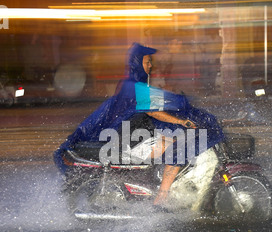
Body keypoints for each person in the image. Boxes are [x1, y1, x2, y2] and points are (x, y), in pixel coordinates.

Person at [54, 43, 224, 207]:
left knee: (176, 141)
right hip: (128, 139)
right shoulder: (135, 86)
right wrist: (181, 120)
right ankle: (161, 199)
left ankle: (161, 183)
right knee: (179, 150)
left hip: (134, 135)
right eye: (147, 61)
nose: (150, 65)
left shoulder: (131, 84)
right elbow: (152, 111)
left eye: (151, 61)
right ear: (137, 63)